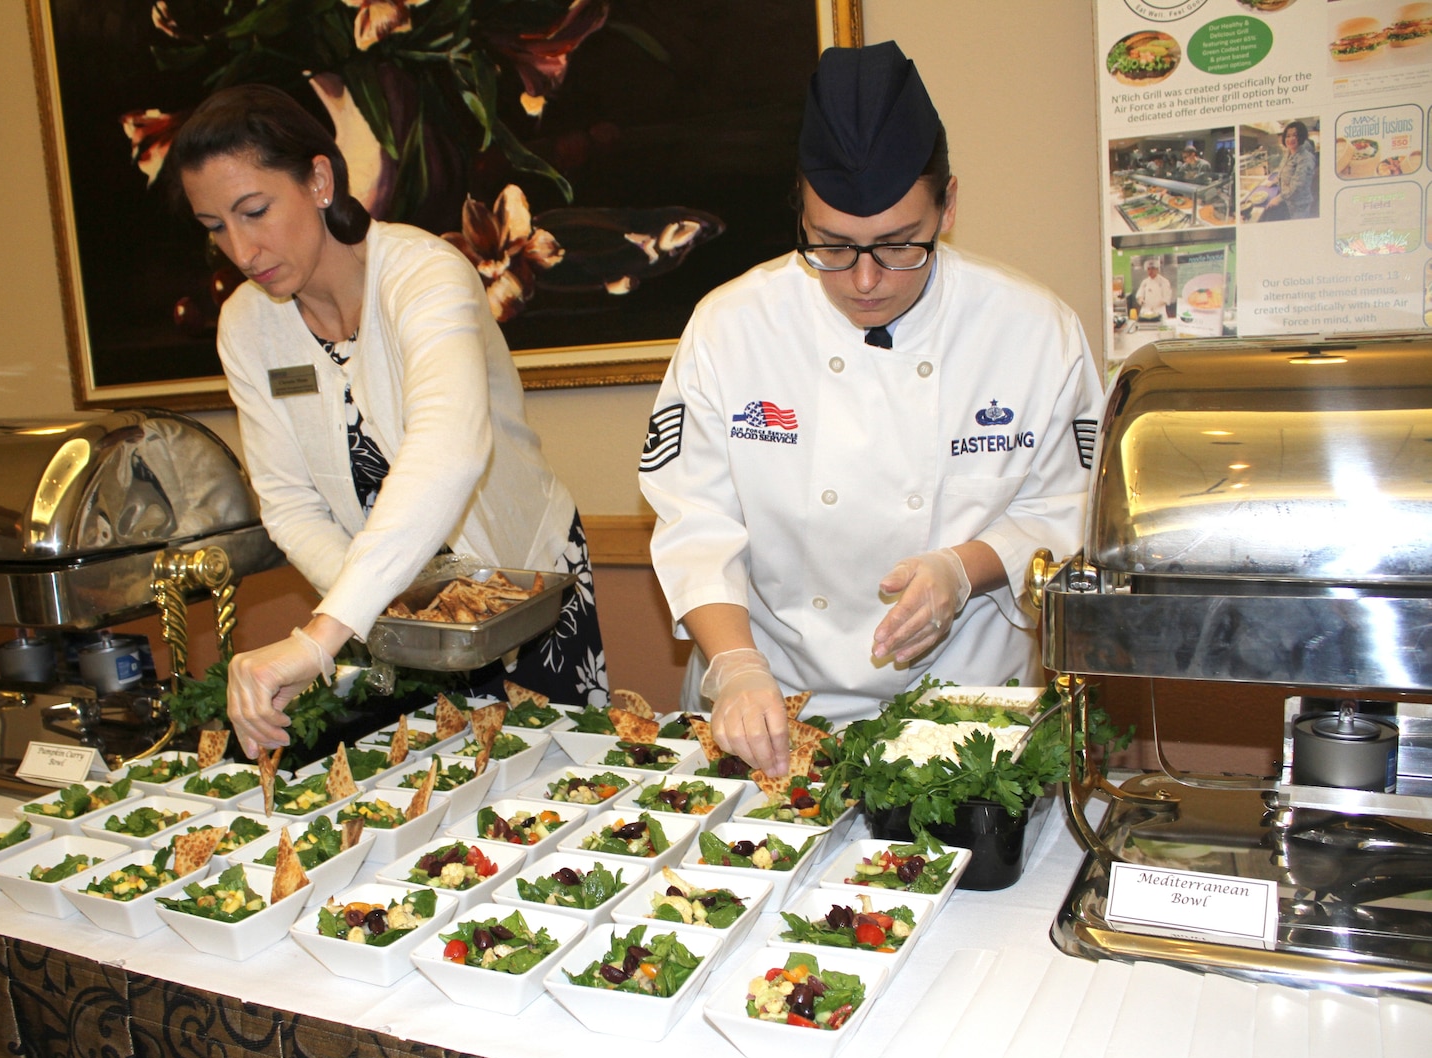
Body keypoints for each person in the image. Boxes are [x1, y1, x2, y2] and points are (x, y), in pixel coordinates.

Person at [639, 42, 1103, 776]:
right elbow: (696, 520)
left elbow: (1071, 507)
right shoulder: (730, 327)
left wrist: (963, 569)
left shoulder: (1033, 330)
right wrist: (732, 663)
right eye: (830, 246)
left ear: (949, 205)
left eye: (897, 247)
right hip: (774, 702)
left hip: (969, 711)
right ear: (800, 209)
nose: (863, 281)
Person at [168, 84, 607, 759]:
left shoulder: (425, 274)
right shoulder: (247, 325)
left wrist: (323, 635)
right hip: (382, 618)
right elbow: (288, 502)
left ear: (318, 179)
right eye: (214, 228)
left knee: (548, 802)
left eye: (255, 211)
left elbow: (448, 453)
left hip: (520, 592)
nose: (243, 248)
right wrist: (381, 615)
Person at [1261, 121, 1318, 221]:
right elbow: (1282, 171)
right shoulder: (1288, 153)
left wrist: (1278, 198)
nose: (1290, 139)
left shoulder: (1305, 158)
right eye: (1288, 136)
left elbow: (1297, 186)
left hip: (1299, 206)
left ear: (1301, 137)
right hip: (1288, 203)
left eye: (1294, 135)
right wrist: (1274, 181)